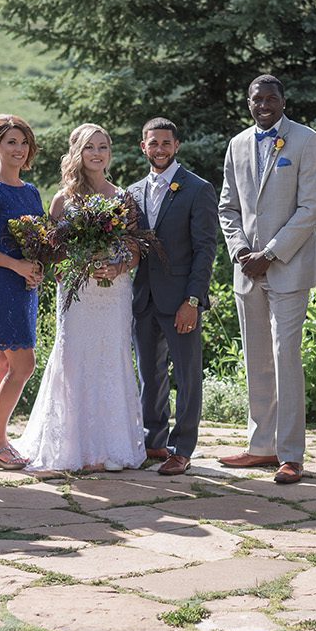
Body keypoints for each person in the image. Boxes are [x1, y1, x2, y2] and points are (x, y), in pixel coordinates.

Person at [218, 75, 316, 484]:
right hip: (246, 268)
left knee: (286, 356)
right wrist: (240, 250)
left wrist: (272, 253)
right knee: (257, 358)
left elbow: (312, 206)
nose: (263, 104)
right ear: (248, 103)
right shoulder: (237, 144)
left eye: (271, 98)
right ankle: (261, 446)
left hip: (288, 266)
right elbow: (228, 205)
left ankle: (291, 454)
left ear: (283, 100)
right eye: (256, 99)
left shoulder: (306, 140)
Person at [17, 123, 145, 472]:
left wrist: (116, 268)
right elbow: (53, 251)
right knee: (75, 357)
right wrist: (78, 261)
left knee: (110, 358)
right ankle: (74, 447)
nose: (97, 153)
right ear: (77, 152)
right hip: (76, 291)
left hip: (113, 292)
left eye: (103, 146)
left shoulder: (123, 198)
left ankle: (109, 448)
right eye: (90, 147)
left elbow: (135, 249)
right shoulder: (63, 199)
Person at [128, 117, 218, 476]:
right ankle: (154, 439)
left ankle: (183, 448)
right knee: (150, 375)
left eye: (166, 143)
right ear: (143, 147)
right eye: (153, 143)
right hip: (143, 298)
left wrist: (193, 300)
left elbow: (205, 250)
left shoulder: (197, 189)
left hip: (181, 299)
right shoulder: (132, 193)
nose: (160, 149)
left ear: (176, 145)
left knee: (187, 375)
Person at [0, 114, 45, 471]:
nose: (18, 148)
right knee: (24, 364)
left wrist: (36, 269)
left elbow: (41, 239)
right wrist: (16, 267)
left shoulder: (30, 191)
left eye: (23, 142)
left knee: (6, 363)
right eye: (11, 142)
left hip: (25, 283)